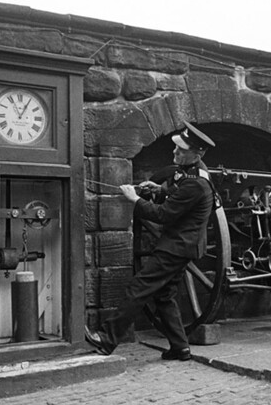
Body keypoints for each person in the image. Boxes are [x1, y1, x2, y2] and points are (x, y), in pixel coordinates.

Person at [85, 122, 216, 361]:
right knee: (164, 295)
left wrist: (134, 199)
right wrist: (159, 189)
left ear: (197, 153)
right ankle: (180, 347)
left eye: (181, 150)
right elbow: (179, 196)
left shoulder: (197, 183)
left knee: (138, 289)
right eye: (175, 147)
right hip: (183, 245)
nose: (174, 152)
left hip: (176, 247)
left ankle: (107, 338)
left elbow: (163, 215)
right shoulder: (195, 172)